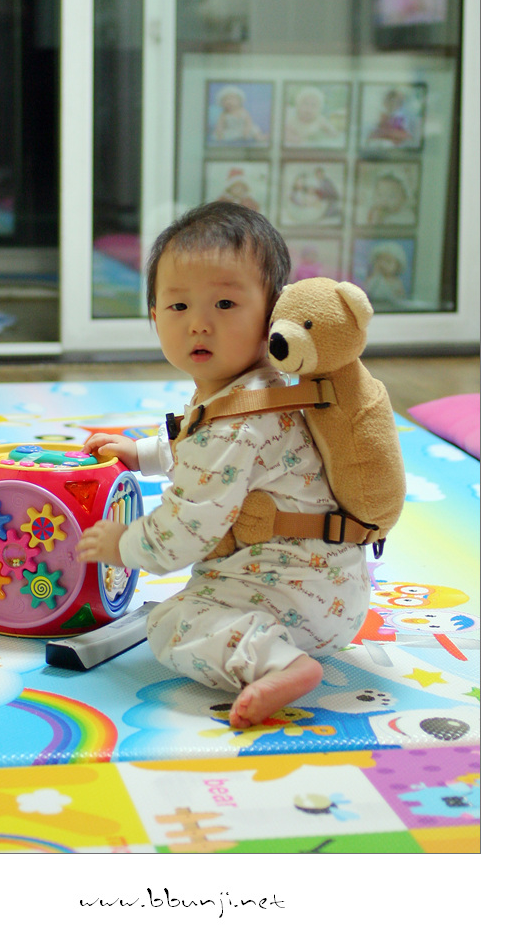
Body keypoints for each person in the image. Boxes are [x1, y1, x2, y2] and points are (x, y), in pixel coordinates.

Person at [76, 202, 370, 728]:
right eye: (178, 306)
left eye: (226, 303)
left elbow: (188, 528)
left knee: (171, 621)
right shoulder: (258, 392)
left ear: (271, 316)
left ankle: (278, 663)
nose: (199, 324)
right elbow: (206, 454)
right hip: (326, 588)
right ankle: (277, 649)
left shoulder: (235, 423)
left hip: (291, 597)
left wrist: (124, 544)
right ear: (154, 317)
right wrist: (143, 454)